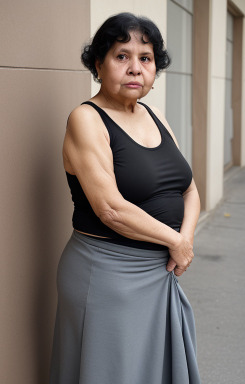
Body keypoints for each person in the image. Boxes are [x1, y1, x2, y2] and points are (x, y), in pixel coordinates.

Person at [49, 12, 201, 384]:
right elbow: (110, 209)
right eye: (122, 56)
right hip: (107, 275)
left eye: (145, 58)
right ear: (98, 64)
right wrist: (175, 242)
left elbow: (190, 188)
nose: (136, 68)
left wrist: (186, 241)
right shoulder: (86, 119)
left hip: (158, 274)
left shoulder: (155, 115)